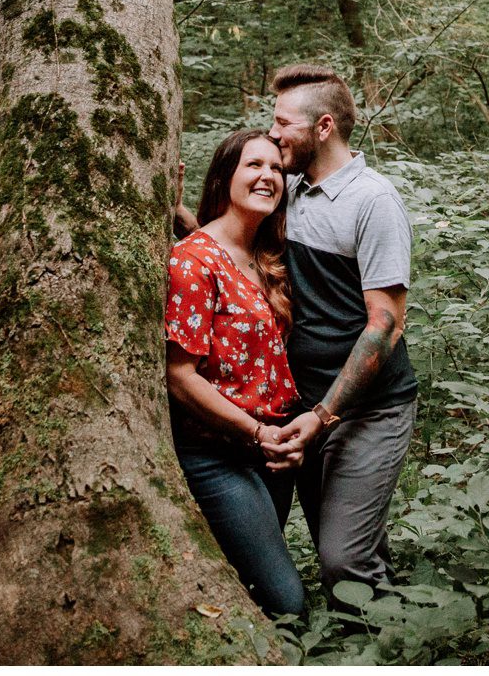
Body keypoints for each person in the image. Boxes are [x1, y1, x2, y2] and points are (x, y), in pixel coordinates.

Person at [260, 63, 418, 604]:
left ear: (323, 127)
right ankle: (374, 627)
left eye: (283, 123)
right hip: (304, 403)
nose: (273, 133)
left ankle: (387, 639)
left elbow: (386, 325)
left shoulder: (373, 201)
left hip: (369, 409)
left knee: (343, 558)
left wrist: (324, 415)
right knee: (350, 550)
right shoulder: (288, 190)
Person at [165, 129, 309, 621]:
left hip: (273, 454)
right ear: (225, 177)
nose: (269, 176)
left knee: (248, 588)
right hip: (218, 453)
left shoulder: (266, 256)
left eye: (276, 168)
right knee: (286, 603)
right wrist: (256, 432)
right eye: (254, 165)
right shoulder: (193, 260)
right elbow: (179, 375)